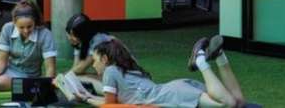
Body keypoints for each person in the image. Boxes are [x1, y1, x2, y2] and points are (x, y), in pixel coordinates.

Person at [78, 36, 247, 108]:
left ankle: (200, 60)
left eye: (95, 60)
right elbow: (113, 101)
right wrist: (90, 95)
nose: (93, 65)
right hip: (175, 89)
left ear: (105, 59)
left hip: (172, 96)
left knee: (228, 104)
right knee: (238, 102)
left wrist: (86, 98)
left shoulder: (110, 71)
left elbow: (109, 105)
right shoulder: (127, 70)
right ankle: (220, 57)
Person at [0, 0, 57, 91]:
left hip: (28, 77)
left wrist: (47, 87)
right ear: (14, 23)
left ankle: (29, 86)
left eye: (29, 26)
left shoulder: (45, 34)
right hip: (7, 67)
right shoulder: (7, 28)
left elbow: (50, 68)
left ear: (35, 21)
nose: (26, 31)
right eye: (21, 27)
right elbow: (1, 61)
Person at [65, 12, 113, 88]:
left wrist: (63, 77)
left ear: (83, 33)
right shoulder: (81, 41)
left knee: (78, 79)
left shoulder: (98, 39)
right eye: (69, 34)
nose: (70, 38)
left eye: (73, 35)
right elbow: (76, 67)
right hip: (108, 77)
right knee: (76, 78)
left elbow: (81, 68)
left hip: (119, 78)